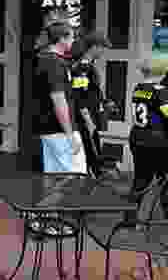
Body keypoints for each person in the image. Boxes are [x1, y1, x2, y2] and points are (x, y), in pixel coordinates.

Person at [33, 15, 87, 175]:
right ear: (62, 39)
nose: (73, 41)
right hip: (61, 132)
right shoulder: (55, 64)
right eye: (71, 37)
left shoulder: (43, 60)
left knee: (54, 180)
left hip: (47, 129)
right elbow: (59, 101)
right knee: (75, 177)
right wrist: (70, 135)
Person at [126, 59, 168, 224]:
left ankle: (129, 219)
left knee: (140, 180)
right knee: (164, 179)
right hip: (157, 141)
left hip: (138, 138)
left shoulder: (139, 88)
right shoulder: (161, 91)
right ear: (161, 73)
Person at [69, 30, 112, 177]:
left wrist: (104, 102)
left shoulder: (89, 64)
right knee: (91, 151)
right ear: (95, 47)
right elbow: (79, 95)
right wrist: (87, 119)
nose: (103, 52)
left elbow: (92, 90)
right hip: (85, 116)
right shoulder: (82, 67)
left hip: (91, 113)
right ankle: (93, 180)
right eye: (103, 48)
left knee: (94, 148)